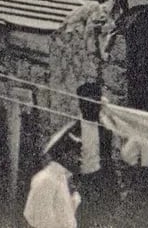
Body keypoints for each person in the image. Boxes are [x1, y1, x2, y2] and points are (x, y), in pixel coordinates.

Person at [72, 81, 117, 228]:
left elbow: (109, 108)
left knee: (103, 218)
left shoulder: (104, 126)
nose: (92, 108)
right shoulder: (75, 129)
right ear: (81, 106)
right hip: (85, 180)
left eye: (95, 104)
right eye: (87, 104)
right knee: (85, 219)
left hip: (102, 177)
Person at [24, 141, 80, 228]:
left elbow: (65, 216)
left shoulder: (63, 178)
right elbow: (41, 221)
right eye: (75, 154)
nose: (78, 159)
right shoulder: (46, 179)